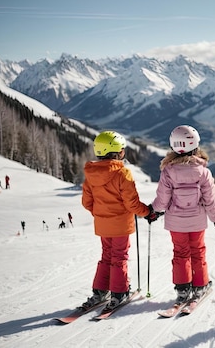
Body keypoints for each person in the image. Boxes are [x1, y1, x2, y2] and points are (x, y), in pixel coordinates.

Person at [81, 130, 159, 311]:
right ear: (118, 151)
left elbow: (87, 202)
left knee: (106, 256)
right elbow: (131, 204)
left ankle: (100, 291)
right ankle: (119, 292)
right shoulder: (122, 173)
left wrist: (101, 213)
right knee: (119, 257)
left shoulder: (90, 174)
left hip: (102, 224)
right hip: (121, 225)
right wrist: (147, 212)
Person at [151, 125, 215, 304]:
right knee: (198, 252)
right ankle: (200, 285)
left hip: (175, 223)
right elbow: (210, 199)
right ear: (196, 145)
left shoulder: (168, 171)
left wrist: (154, 211)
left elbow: (162, 199)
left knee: (180, 253)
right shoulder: (203, 172)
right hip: (197, 222)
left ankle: (183, 289)